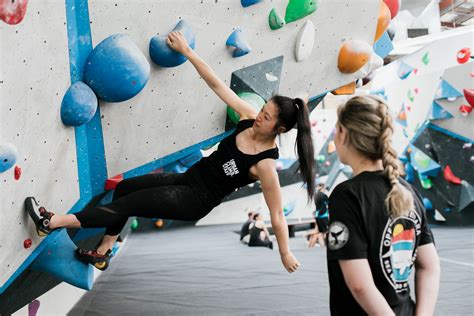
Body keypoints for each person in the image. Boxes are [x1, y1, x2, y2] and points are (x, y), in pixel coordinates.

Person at [25, 31, 315, 273]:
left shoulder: (264, 164)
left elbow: (277, 213)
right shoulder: (249, 118)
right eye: (263, 110)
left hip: (194, 200)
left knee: (126, 206)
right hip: (187, 179)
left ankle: (51, 223)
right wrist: (188, 51)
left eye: (267, 117)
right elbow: (216, 84)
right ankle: (102, 251)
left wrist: (284, 253)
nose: (260, 116)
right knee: (125, 189)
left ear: (280, 129)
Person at [325, 95, 440, 315]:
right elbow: (429, 266)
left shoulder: (346, 195)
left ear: (345, 134)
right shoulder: (408, 191)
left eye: (336, 130)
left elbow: (360, 285)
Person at [307, 182, 329, 248]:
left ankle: (311, 247)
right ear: (322, 188)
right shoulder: (324, 196)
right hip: (323, 216)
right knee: (325, 231)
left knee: (319, 232)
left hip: (317, 216)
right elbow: (329, 204)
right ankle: (325, 246)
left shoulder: (316, 195)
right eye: (324, 188)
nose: (325, 189)